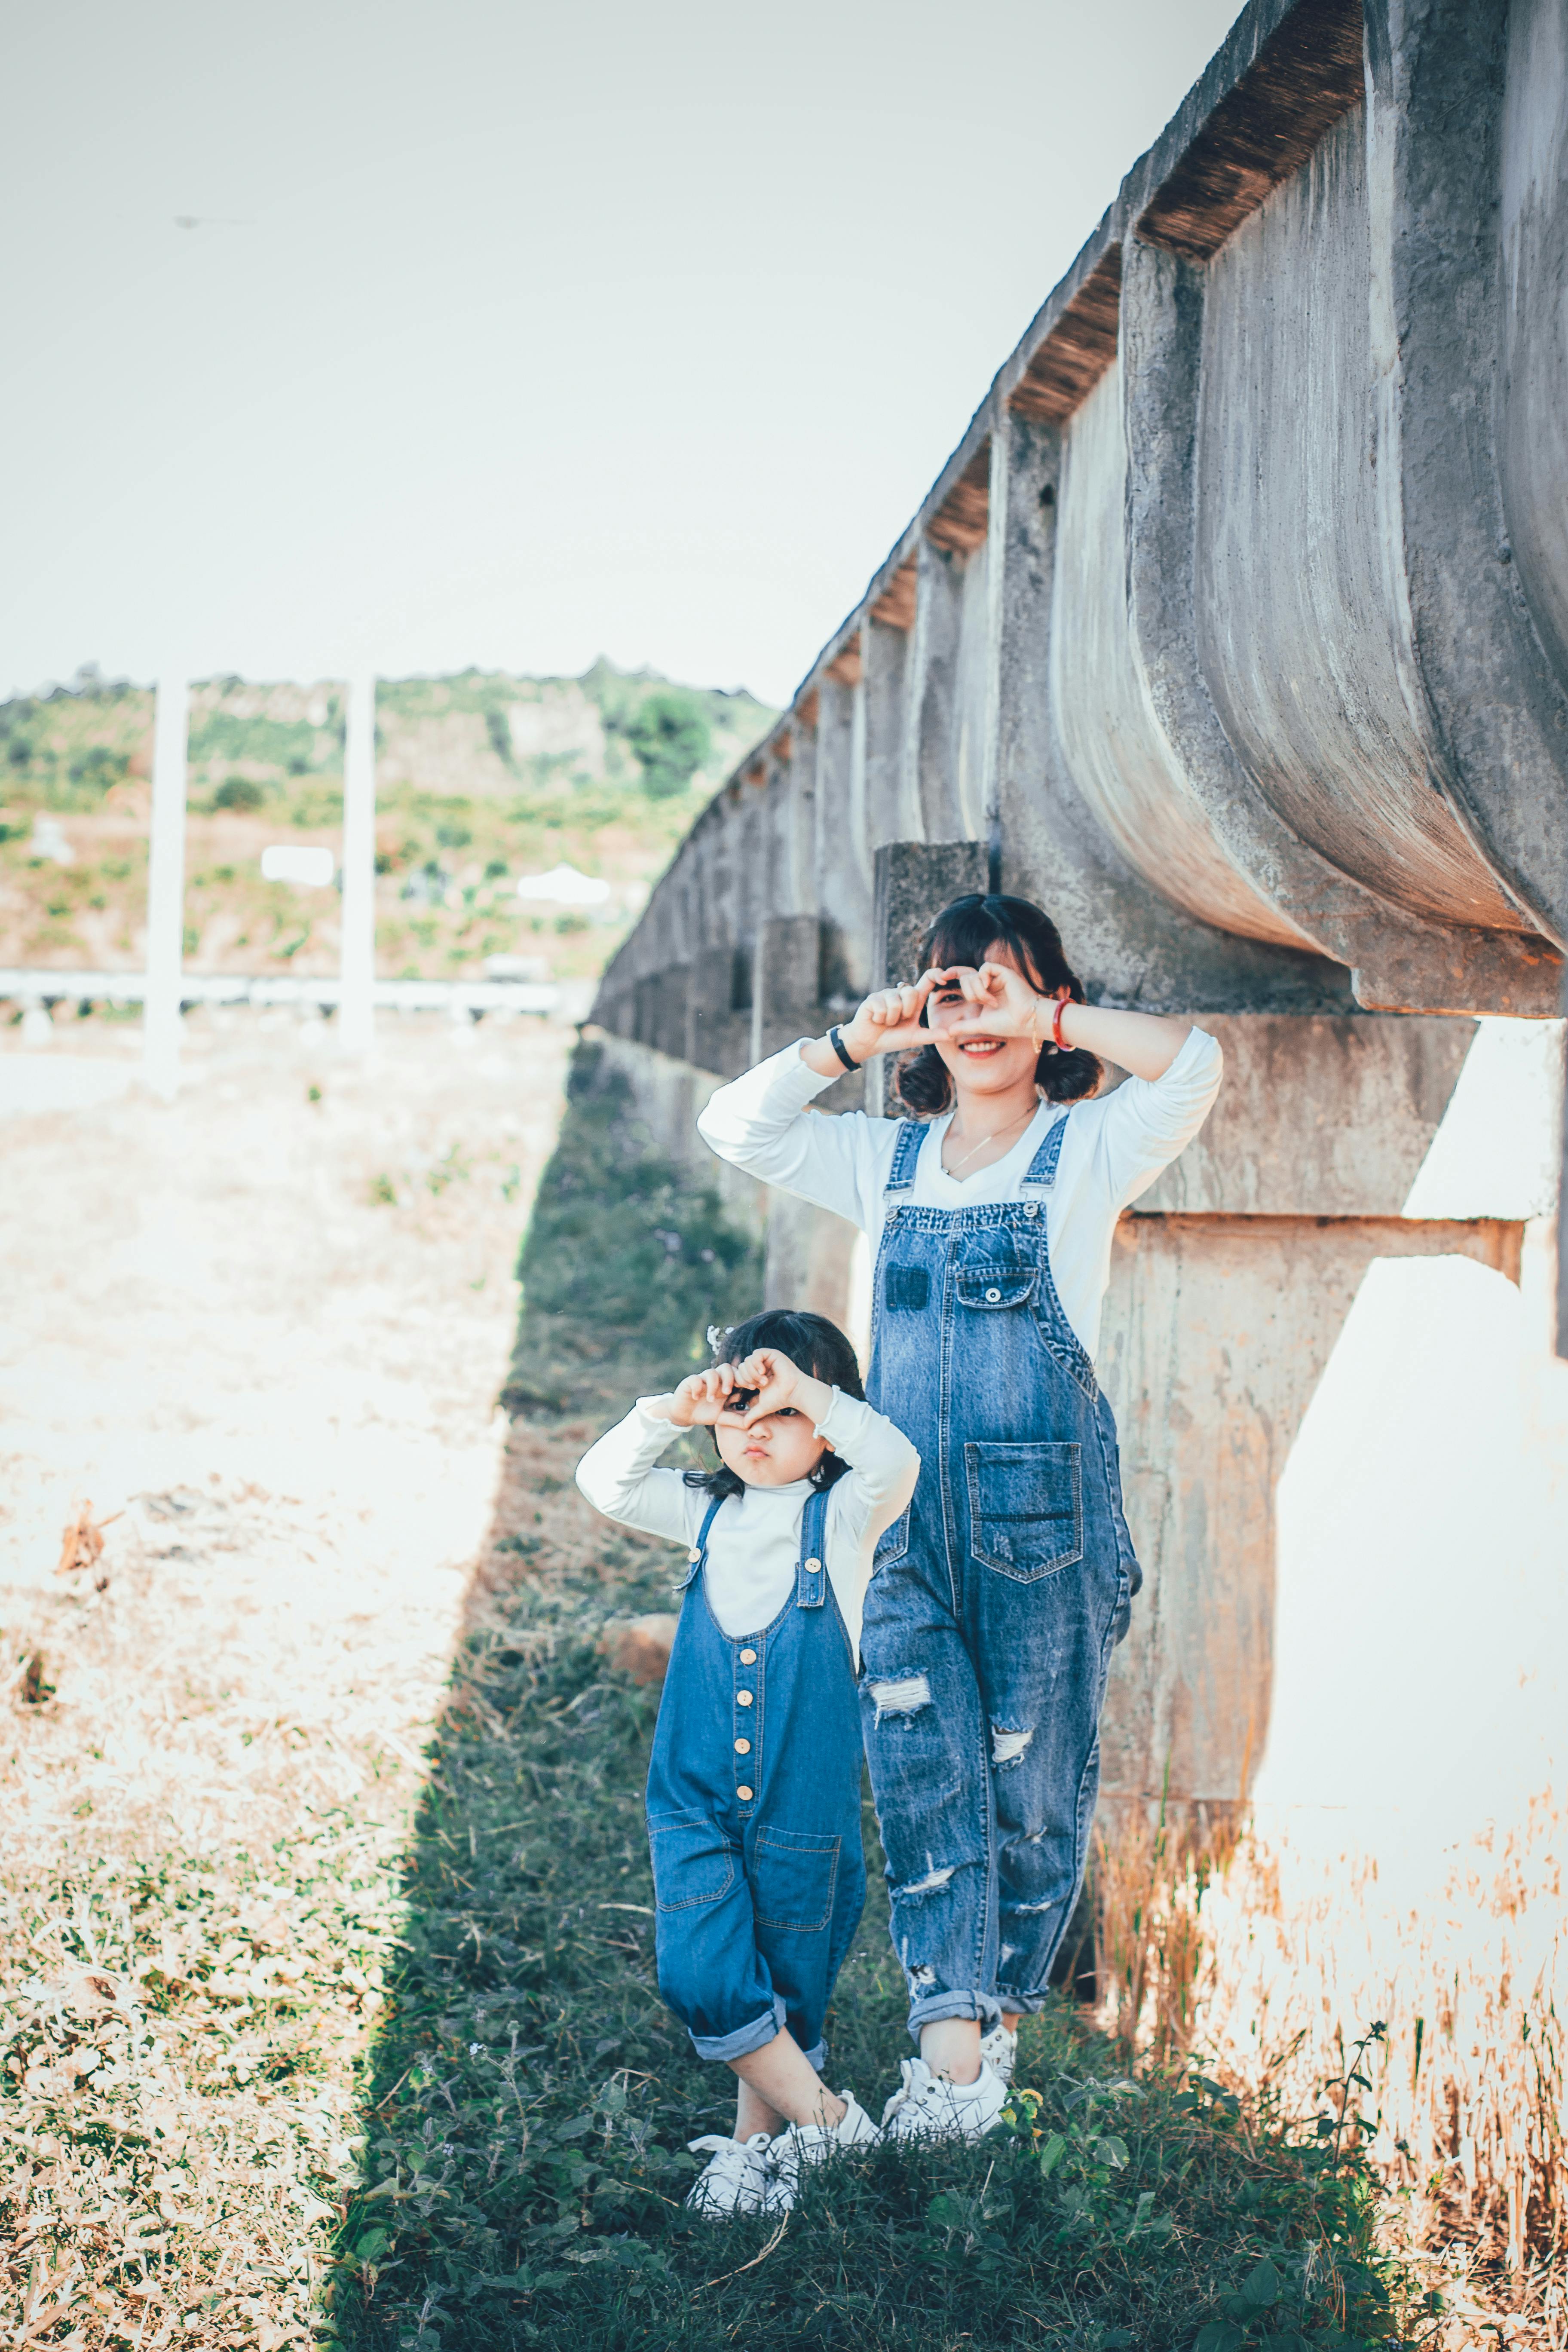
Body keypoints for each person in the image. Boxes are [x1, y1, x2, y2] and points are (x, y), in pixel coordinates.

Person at [697, 893, 1223, 2141]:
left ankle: (978, 2051)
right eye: (951, 988)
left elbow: (1194, 1062)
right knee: (923, 1769)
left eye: (1005, 987)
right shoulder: (885, 1160)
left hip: (1045, 1525)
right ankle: (950, 2051)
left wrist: (1042, 1006)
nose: (974, 1009)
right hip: (896, 1516)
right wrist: (856, 1043)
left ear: (1048, 1013)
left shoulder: (1090, 1147)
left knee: (1029, 1791)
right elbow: (737, 1125)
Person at [575, 1308, 919, 2216]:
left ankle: (753, 2154)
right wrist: (669, 1412)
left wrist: (806, 1385)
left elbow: (895, 1462)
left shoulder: (843, 1520)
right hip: (693, 1797)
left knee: (785, 1989)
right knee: (701, 1973)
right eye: (741, 1411)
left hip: (802, 1810)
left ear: (825, 1420)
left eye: (783, 1414)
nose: (757, 1432)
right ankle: (836, 2128)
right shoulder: (702, 1511)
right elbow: (604, 1483)